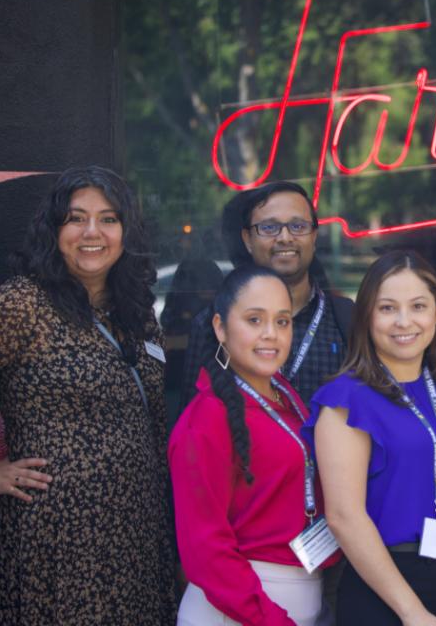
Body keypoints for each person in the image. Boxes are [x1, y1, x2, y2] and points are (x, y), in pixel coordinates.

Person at [0, 166, 177, 623]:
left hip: (137, 532)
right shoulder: (23, 304)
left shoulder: (137, 314)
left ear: (125, 231)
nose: (92, 232)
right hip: (57, 541)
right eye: (76, 218)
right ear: (54, 229)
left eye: (108, 218)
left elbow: (153, 420)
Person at [305, 251, 436, 625]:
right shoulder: (346, 400)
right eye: (387, 308)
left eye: (418, 306)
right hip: (386, 589)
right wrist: (413, 613)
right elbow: (344, 517)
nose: (404, 322)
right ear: (366, 316)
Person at [171, 266, 337, 625]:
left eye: (282, 321)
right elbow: (205, 548)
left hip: (298, 597)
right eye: (254, 319)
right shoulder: (207, 417)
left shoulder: (285, 396)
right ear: (220, 327)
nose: (270, 335)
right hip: (240, 611)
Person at [180, 181, 353, 411]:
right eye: (269, 228)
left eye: (298, 226)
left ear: (313, 236)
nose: (285, 237)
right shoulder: (214, 324)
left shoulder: (346, 319)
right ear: (247, 239)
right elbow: (194, 421)